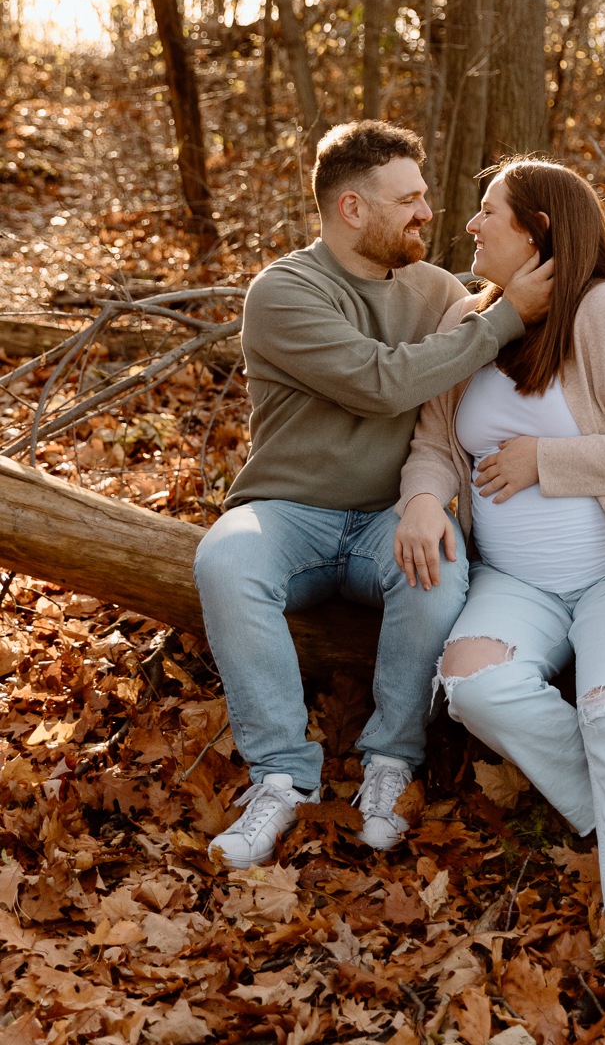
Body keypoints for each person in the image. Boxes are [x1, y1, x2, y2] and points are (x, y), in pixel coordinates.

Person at [394, 157, 605, 997]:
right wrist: (426, 501)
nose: (470, 226)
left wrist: (547, 458)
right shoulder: (473, 323)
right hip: (516, 583)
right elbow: (434, 442)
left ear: (539, 230)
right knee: (471, 686)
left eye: (488, 212)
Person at [195, 121, 552, 869]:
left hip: (389, 522)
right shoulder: (285, 292)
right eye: (409, 199)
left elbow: (468, 400)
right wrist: (504, 316)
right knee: (225, 562)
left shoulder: (438, 291)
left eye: (424, 196)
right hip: (286, 512)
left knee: (439, 573)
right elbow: (382, 384)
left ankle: (390, 762)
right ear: (352, 209)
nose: (428, 213)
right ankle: (282, 778)